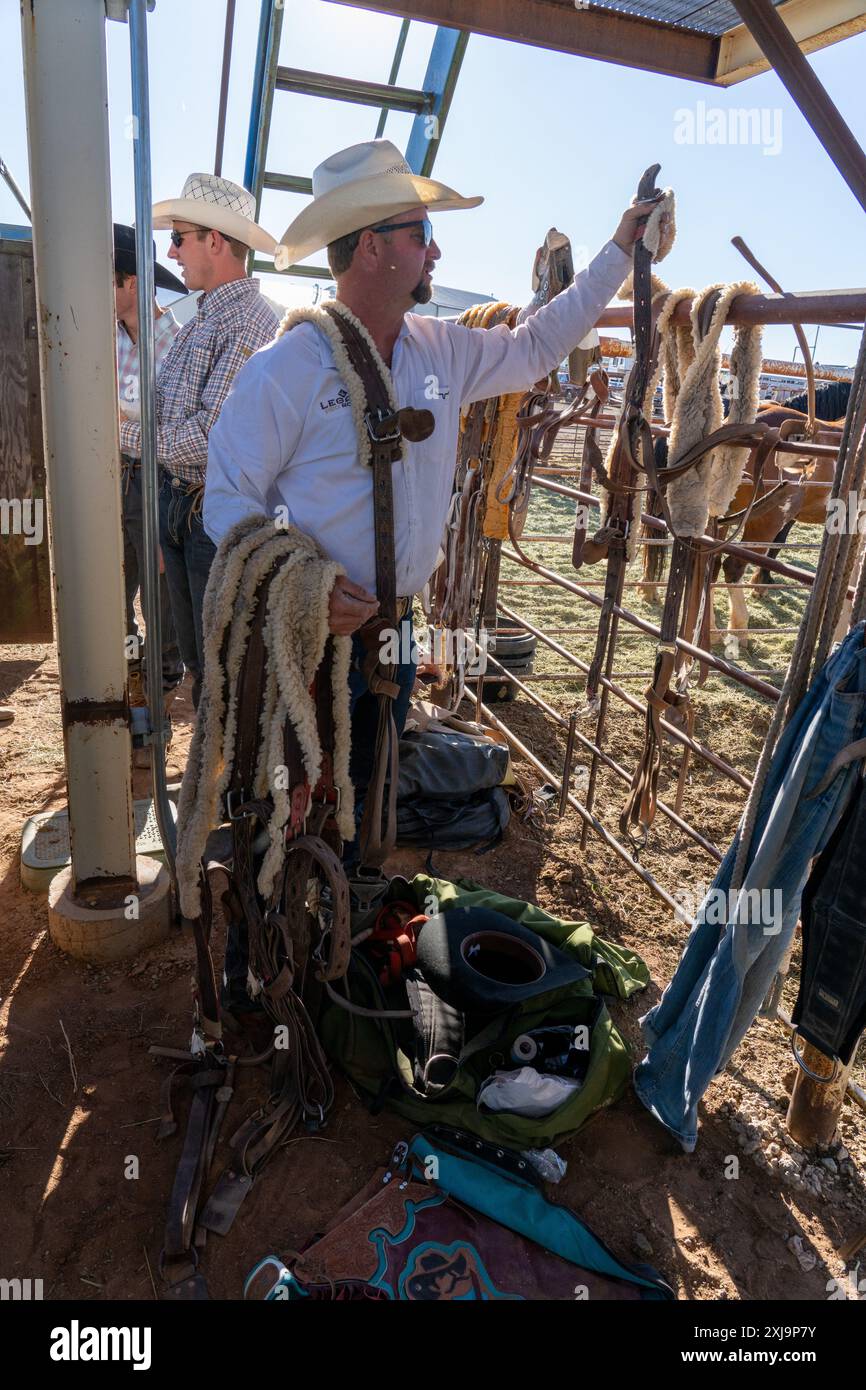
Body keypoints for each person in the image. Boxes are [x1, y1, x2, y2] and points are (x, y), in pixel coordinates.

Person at [204, 138, 653, 864]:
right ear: (375, 247)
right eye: (424, 235)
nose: (436, 254)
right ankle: (274, 952)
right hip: (312, 639)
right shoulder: (285, 370)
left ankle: (344, 917)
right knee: (286, 806)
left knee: (372, 788)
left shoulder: (438, 351)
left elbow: (537, 347)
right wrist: (302, 589)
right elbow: (227, 503)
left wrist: (618, 251)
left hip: (397, 630)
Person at [119, 174, 281, 708]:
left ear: (216, 240)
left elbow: (208, 440)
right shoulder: (205, 319)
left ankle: (230, 779)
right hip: (187, 511)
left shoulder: (249, 323)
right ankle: (218, 770)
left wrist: (116, 432)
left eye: (180, 237)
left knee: (226, 670)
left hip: (213, 520)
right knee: (207, 668)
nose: (171, 250)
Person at [114, 224, 186, 714]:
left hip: (156, 476)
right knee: (112, 581)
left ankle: (159, 684)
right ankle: (128, 668)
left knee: (159, 588)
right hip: (113, 470)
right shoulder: (101, 339)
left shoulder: (179, 346)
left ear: (132, 283)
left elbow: (176, 432)